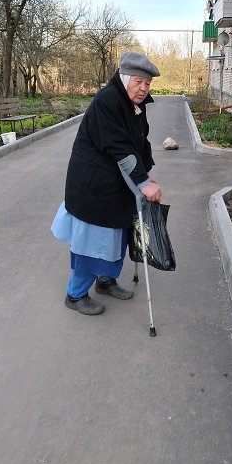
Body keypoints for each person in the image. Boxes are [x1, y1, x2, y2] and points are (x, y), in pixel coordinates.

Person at [51, 51, 162, 316]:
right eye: (138, 82)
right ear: (124, 78)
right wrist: (142, 182)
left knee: (116, 235)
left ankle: (105, 280)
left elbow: (140, 141)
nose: (143, 88)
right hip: (94, 185)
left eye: (147, 84)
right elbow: (119, 146)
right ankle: (75, 294)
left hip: (116, 183)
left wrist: (145, 173)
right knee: (92, 242)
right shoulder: (108, 101)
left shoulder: (134, 104)